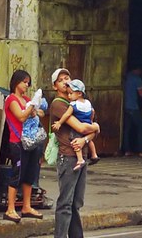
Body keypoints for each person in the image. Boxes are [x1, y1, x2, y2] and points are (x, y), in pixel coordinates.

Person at [50, 67, 99, 238]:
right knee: (65, 203)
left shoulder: (79, 104)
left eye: (67, 78)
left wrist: (87, 137)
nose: (65, 82)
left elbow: (91, 131)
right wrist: (94, 128)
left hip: (81, 156)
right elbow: (81, 127)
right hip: (68, 157)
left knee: (76, 203)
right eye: (61, 79)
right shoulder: (59, 104)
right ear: (55, 86)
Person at [2, 70, 45, 223]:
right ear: (16, 82)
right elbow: (20, 116)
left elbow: (39, 112)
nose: (27, 85)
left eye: (28, 82)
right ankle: (10, 208)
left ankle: (26, 206)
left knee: (29, 174)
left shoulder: (26, 99)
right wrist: (31, 108)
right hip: (17, 142)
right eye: (24, 82)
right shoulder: (11, 99)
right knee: (17, 173)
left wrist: (34, 109)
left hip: (31, 141)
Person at [52, 79, 99, 169]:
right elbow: (93, 112)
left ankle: (80, 159)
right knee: (90, 141)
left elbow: (67, 115)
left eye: (71, 93)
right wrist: (93, 124)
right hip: (88, 124)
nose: (69, 96)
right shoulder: (87, 103)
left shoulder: (73, 104)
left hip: (81, 125)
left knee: (75, 141)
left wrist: (59, 123)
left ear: (79, 93)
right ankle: (94, 155)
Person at [122, 66, 142, 156]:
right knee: (141, 127)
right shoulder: (137, 79)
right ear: (138, 69)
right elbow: (141, 94)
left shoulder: (126, 77)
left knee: (127, 129)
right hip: (133, 106)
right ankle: (141, 150)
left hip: (125, 106)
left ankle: (127, 150)